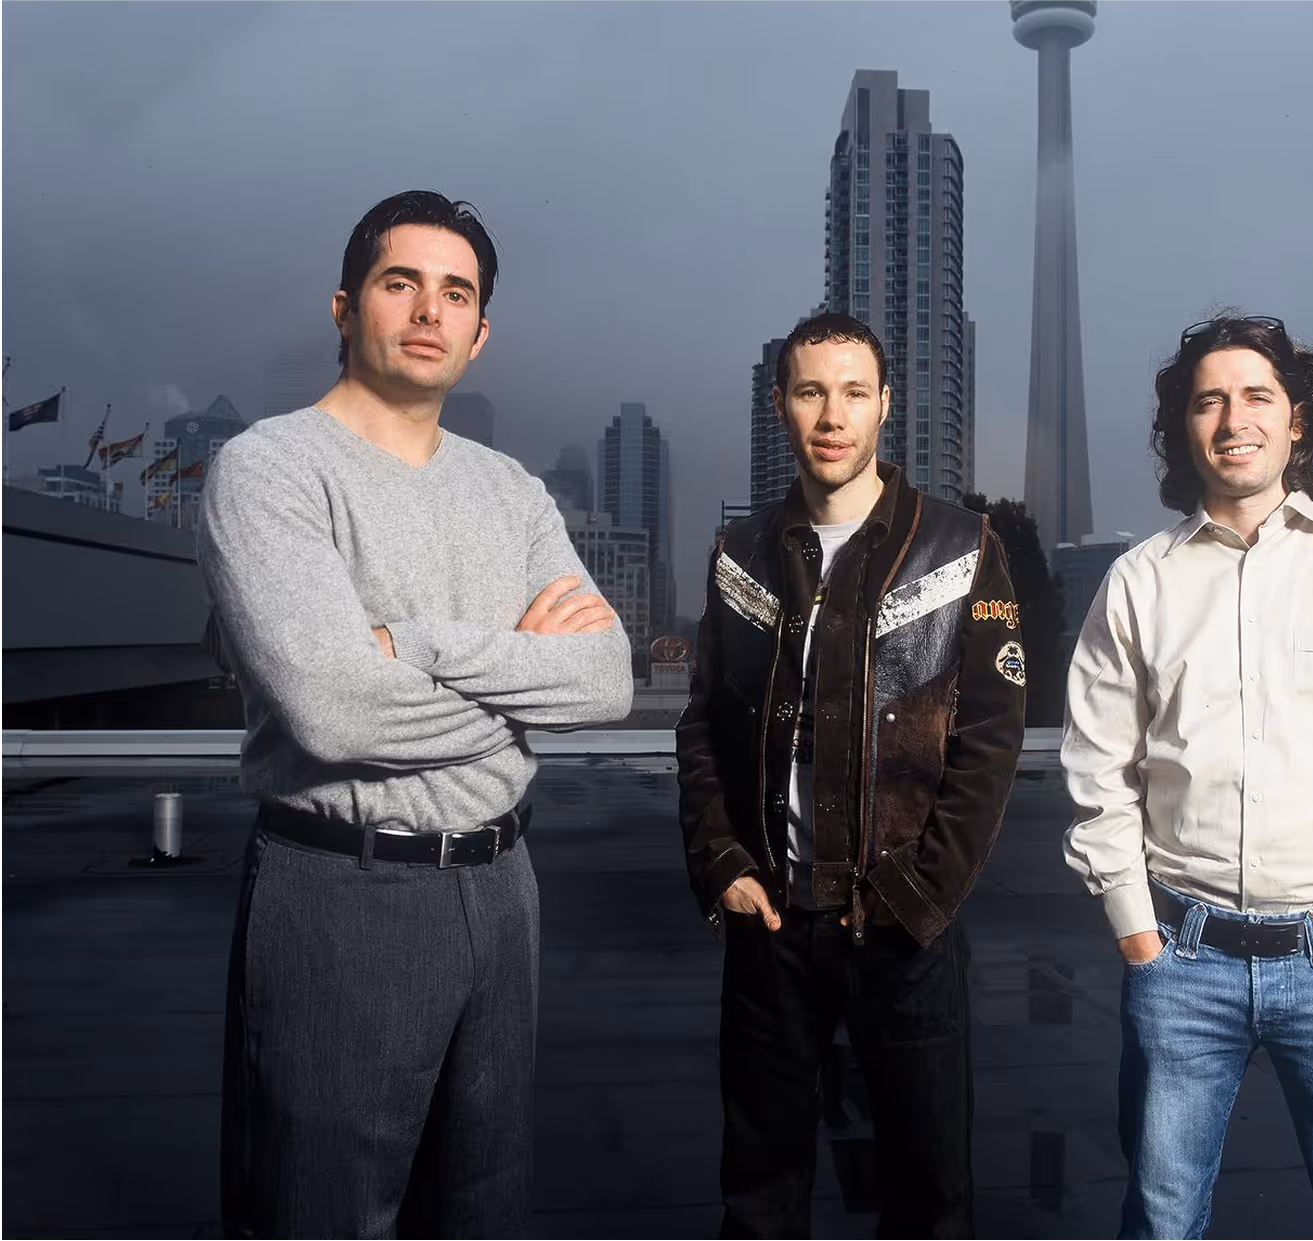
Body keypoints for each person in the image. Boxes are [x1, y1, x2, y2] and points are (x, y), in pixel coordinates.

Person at [200, 190, 634, 1239]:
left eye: (456, 294)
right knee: (323, 1210)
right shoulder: (269, 469)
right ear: (346, 306)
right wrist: (520, 688)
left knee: (483, 1208)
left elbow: (608, 677)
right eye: (403, 284)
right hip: (342, 889)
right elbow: (336, 708)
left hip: (504, 889)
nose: (428, 311)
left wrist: (427, 645)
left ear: (479, 334)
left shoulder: (516, 492)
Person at [1062, 313, 1313, 1240]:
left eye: (1257, 395)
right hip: (1183, 961)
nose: (1232, 416)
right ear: (1183, 427)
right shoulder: (1138, 582)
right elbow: (1095, 766)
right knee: (1160, 1220)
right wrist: (1137, 935)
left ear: (1298, 420)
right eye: (1208, 399)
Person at [676, 312, 1027, 1238]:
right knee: (757, 1192)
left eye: (853, 392)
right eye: (809, 391)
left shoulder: (962, 546)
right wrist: (722, 863)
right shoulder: (738, 555)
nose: (831, 414)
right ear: (781, 406)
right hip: (773, 922)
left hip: (901, 926)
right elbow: (704, 724)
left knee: (926, 1194)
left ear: (885, 407)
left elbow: (989, 742)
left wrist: (922, 895)